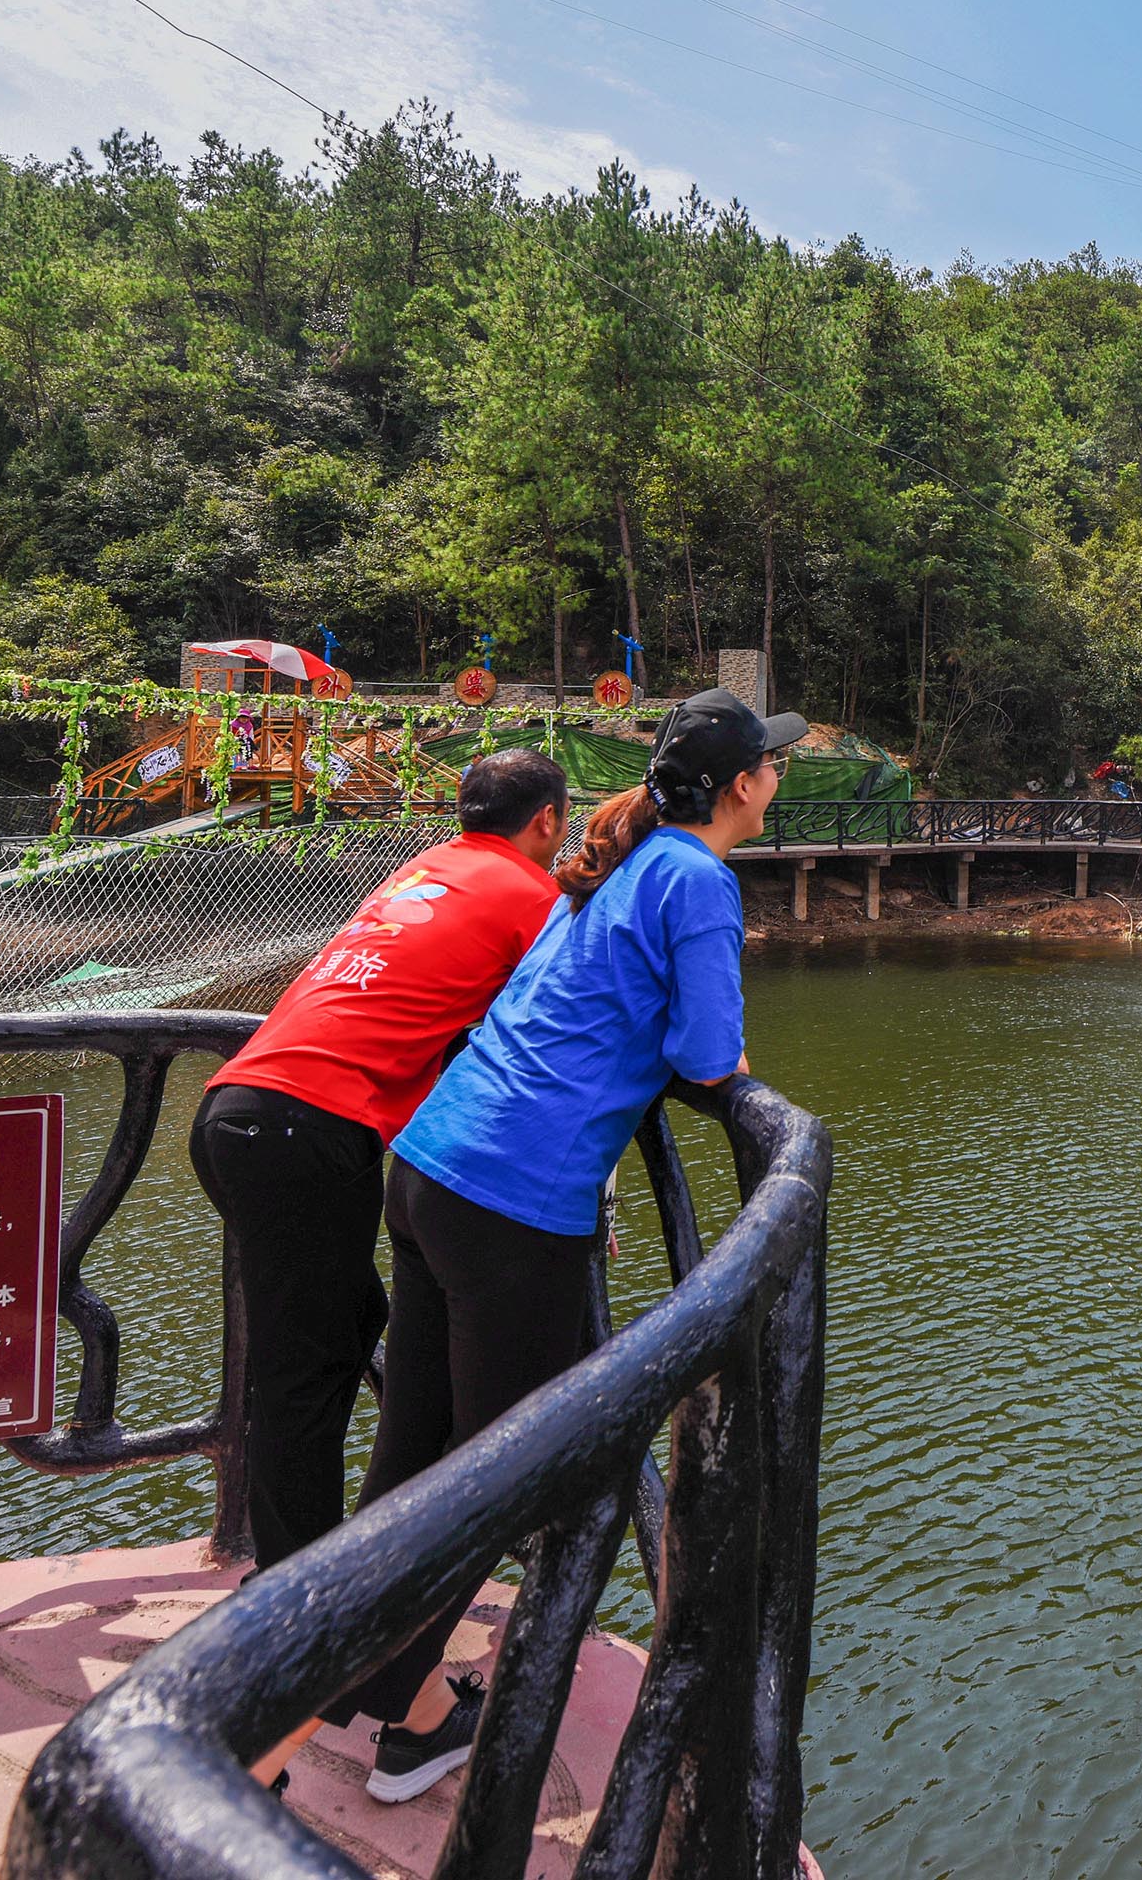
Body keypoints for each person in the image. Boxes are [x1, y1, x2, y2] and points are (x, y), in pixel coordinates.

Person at [340, 688, 803, 1778]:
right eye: (771, 764)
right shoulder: (694, 876)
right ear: (744, 785)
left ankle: (343, 1666)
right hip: (514, 1202)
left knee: (420, 1453)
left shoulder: (625, 858)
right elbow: (706, 1057)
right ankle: (366, 1722)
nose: (777, 777)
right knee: (522, 1474)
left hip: (431, 1167)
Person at [183, 746, 568, 1798]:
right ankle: (305, 1636)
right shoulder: (529, 891)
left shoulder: (420, 870)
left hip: (235, 1112)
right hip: (311, 1132)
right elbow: (550, 1027)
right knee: (308, 1381)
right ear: (546, 823)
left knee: (350, 1339)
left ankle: (345, 1616)